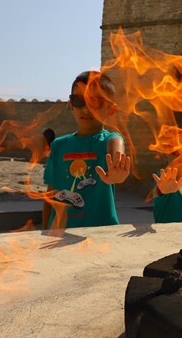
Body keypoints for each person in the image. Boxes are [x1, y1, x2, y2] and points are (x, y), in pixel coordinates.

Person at [42, 71, 131, 230]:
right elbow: (51, 193)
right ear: (70, 104)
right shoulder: (58, 146)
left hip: (101, 235)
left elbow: (116, 148)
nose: (86, 109)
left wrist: (117, 172)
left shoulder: (110, 140)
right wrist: (44, 230)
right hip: (59, 232)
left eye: (95, 102)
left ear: (111, 108)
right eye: (79, 101)